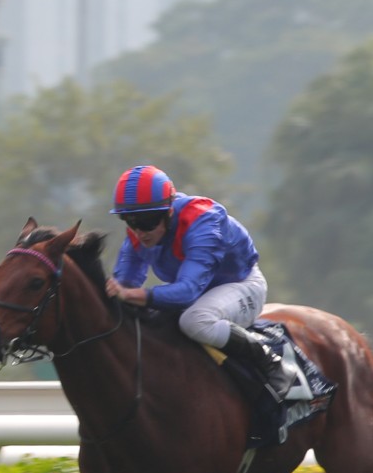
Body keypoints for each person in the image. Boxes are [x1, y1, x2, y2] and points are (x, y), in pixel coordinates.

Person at [104, 164, 293, 402]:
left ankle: (270, 361)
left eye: (148, 220)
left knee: (194, 321)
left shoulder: (203, 220)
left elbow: (188, 292)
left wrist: (135, 296)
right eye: (130, 221)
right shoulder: (139, 233)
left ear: (168, 211)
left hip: (242, 285)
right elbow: (123, 286)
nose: (140, 231)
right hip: (201, 295)